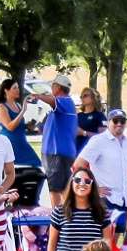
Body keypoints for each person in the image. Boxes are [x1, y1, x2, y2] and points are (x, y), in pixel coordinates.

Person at [29, 74, 81, 205]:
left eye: (53, 85)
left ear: (58, 87)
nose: (51, 88)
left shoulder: (64, 101)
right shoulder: (62, 107)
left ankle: (58, 220)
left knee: (55, 189)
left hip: (57, 153)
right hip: (60, 153)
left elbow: (53, 101)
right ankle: (66, 218)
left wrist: (37, 96)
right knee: (64, 188)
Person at [75, 109, 127, 209]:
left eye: (122, 121)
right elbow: (78, 165)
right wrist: (93, 188)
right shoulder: (98, 141)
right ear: (108, 123)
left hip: (126, 200)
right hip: (105, 201)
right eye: (115, 121)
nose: (119, 124)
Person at [0, 79, 43, 202]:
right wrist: (23, 111)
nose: (18, 90)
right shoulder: (1, 107)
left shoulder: (17, 105)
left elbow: (19, 124)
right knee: (12, 170)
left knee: (36, 166)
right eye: (15, 88)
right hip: (10, 143)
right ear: (6, 90)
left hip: (22, 141)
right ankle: (9, 196)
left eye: (17, 87)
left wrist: (29, 125)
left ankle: (32, 198)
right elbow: (10, 126)